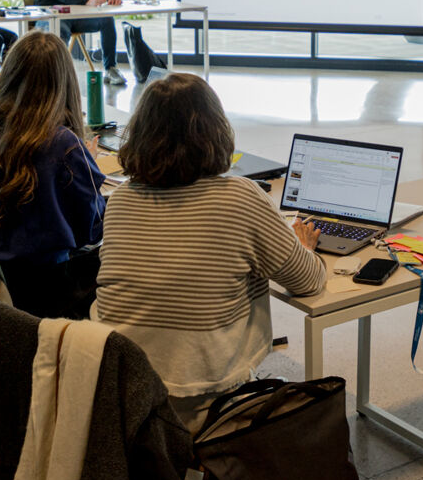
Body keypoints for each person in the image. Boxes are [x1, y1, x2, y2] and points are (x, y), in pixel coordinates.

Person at [91, 73, 326, 429]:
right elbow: (308, 281)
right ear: (216, 131)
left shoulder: (122, 199)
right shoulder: (240, 198)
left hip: (120, 386)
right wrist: (303, 246)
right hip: (199, 400)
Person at [0, 31, 104, 317]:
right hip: (42, 294)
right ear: (65, 83)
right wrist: (87, 164)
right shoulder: (64, 144)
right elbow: (92, 231)